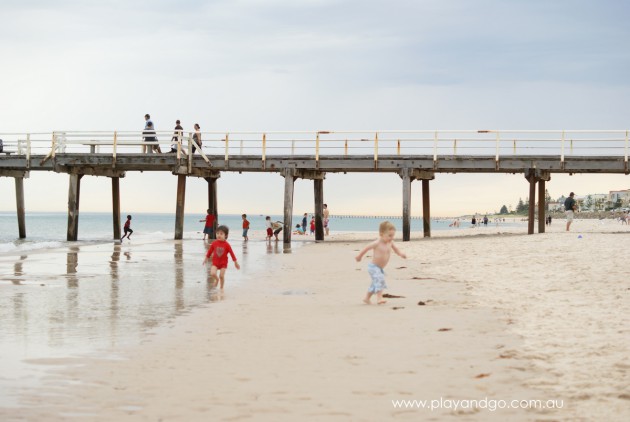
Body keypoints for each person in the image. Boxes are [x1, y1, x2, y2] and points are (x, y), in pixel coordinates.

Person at [355, 221, 407, 305]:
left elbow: (396, 249)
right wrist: (359, 256)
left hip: (380, 268)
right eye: (389, 235)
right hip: (373, 267)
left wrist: (401, 254)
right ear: (381, 234)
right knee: (380, 280)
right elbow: (366, 248)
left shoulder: (390, 243)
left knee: (375, 283)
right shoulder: (377, 243)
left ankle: (367, 298)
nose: (391, 238)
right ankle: (379, 298)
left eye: (393, 236)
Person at [203, 225, 240, 289]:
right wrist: (206, 258)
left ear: (226, 235)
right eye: (217, 233)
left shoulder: (227, 245)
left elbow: (232, 254)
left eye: (221, 234)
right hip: (215, 263)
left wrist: (235, 262)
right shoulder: (214, 243)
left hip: (223, 263)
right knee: (212, 273)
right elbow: (209, 252)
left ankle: (221, 287)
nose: (219, 235)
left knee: (221, 276)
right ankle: (217, 280)